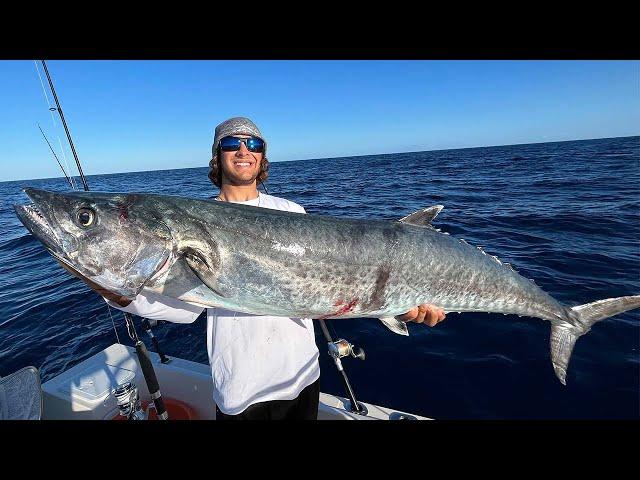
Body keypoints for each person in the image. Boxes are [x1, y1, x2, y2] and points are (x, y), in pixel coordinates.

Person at [62, 117, 446, 420]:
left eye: (253, 144)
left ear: (262, 157)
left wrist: (399, 304)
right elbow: (184, 309)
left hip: (303, 377)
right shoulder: (190, 220)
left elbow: (329, 288)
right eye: (232, 143)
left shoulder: (292, 213)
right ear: (217, 156)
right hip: (240, 390)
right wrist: (113, 289)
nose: (243, 150)